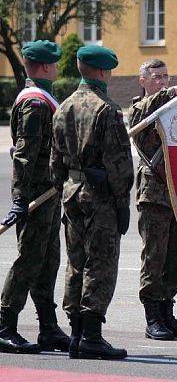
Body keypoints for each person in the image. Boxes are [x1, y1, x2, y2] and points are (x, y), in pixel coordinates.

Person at [50, 45, 134, 359]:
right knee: (101, 264)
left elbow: (54, 160)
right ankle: (92, 335)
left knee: (75, 262)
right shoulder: (107, 110)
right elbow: (119, 164)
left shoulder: (64, 107)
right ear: (102, 72)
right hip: (100, 197)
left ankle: (75, 334)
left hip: (72, 192)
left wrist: (64, 189)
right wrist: (123, 202)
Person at [0, 40, 70, 354]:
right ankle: (4, 324)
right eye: (54, 63)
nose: (56, 68)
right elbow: (24, 155)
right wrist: (19, 199)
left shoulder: (43, 98)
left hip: (48, 194)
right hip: (35, 195)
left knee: (48, 261)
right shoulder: (35, 103)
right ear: (43, 66)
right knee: (29, 260)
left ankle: (48, 326)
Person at [129, 60, 177, 340]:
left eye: (165, 77)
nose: (162, 82)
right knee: (154, 256)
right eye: (156, 77)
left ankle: (167, 311)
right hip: (154, 192)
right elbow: (147, 112)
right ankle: (152, 316)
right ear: (142, 81)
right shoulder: (140, 108)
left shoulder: (176, 104)